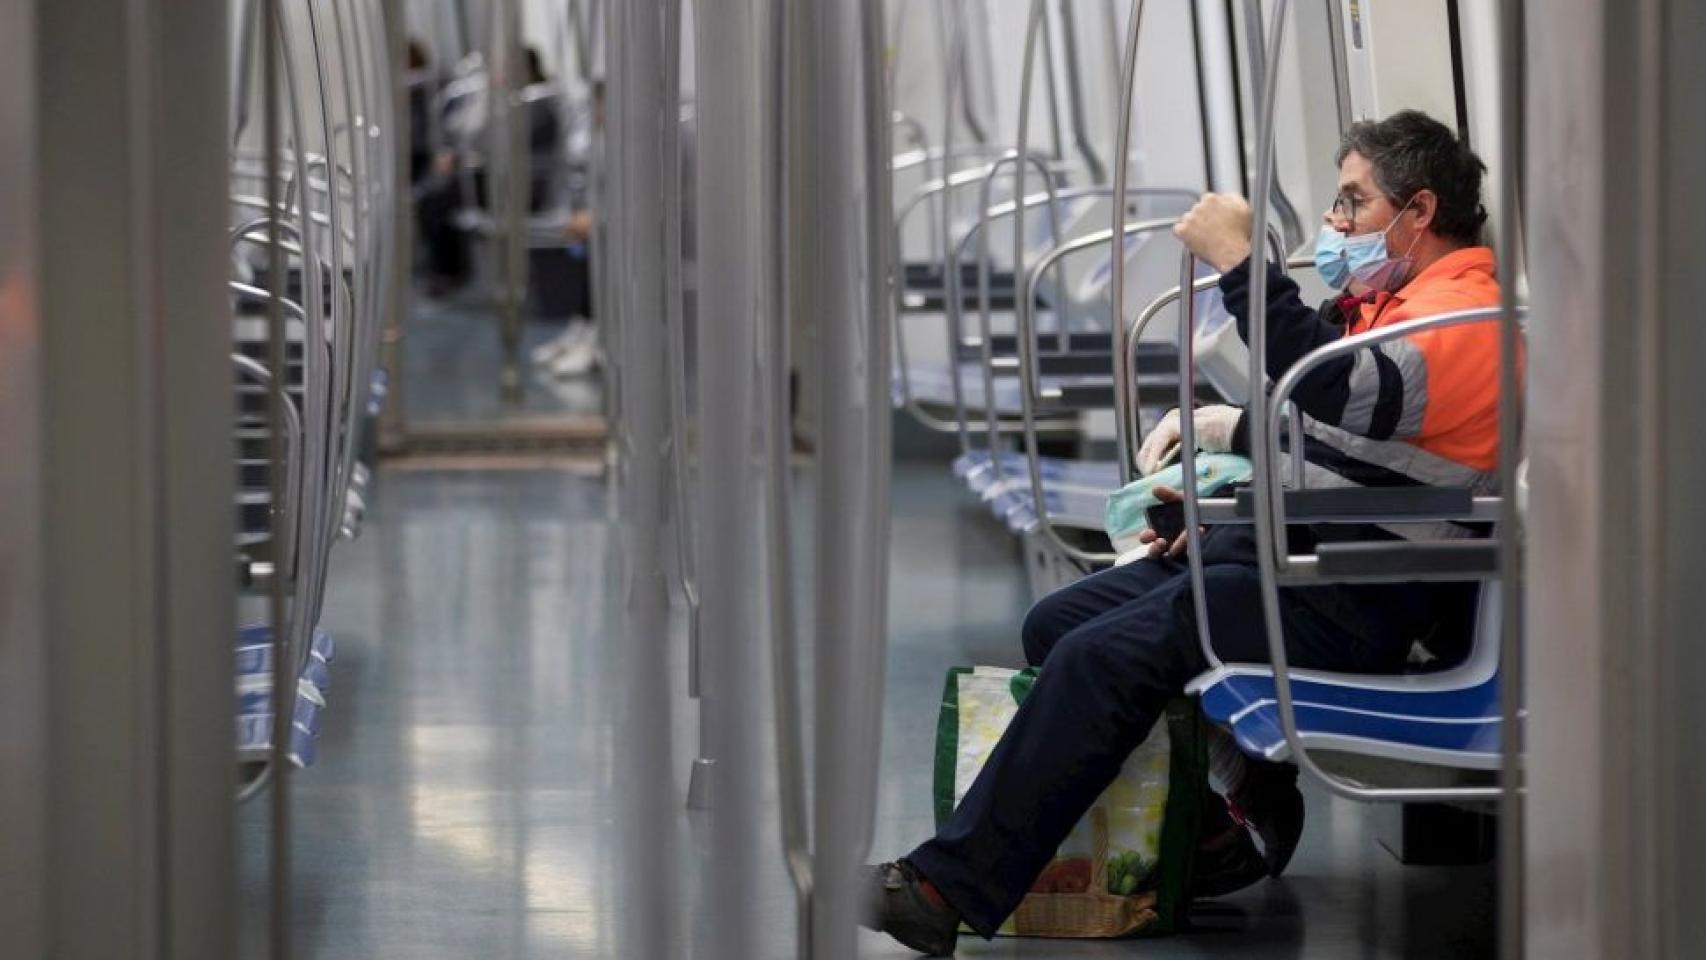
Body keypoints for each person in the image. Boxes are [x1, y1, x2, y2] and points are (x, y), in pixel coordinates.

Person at [863, 109, 1503, 957]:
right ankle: (1216, 830)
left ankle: (943, 888)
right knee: (1057, 623)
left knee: (1100, 658)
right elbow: (1333, 450)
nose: (1335, 221)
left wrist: (1243, 266)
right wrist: (1214, 506)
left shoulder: (1464, 320)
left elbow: (1340, 394)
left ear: (1419, 211)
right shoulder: (1392, 305)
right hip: (1292, 555)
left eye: (1353, 202)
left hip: (1359, 589)